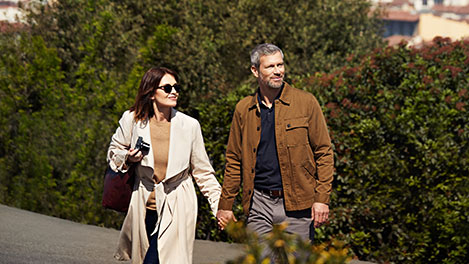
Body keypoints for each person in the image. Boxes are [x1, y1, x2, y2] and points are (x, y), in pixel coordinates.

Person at [216, 43, 334, 244]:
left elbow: (324, 152)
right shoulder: (243, 109)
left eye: (280, 65)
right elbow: (234, 159)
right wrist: (225, 205)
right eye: (270, 66)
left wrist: (321, 199)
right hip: (258, 205)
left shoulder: (306, 102)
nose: (278, 71)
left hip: (298, 207)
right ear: (255, 71)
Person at [107, 67, 222, 264]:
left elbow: (203, 172)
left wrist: (220, 206)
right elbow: (113, 152)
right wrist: (128, 157)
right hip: (143, 203)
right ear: (151, 93)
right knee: (144, 258)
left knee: (159, 260)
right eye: (167, 87)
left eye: (176, 87)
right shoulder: (133, 120)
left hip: (177, 204)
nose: (174, 92)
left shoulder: (190, 125)